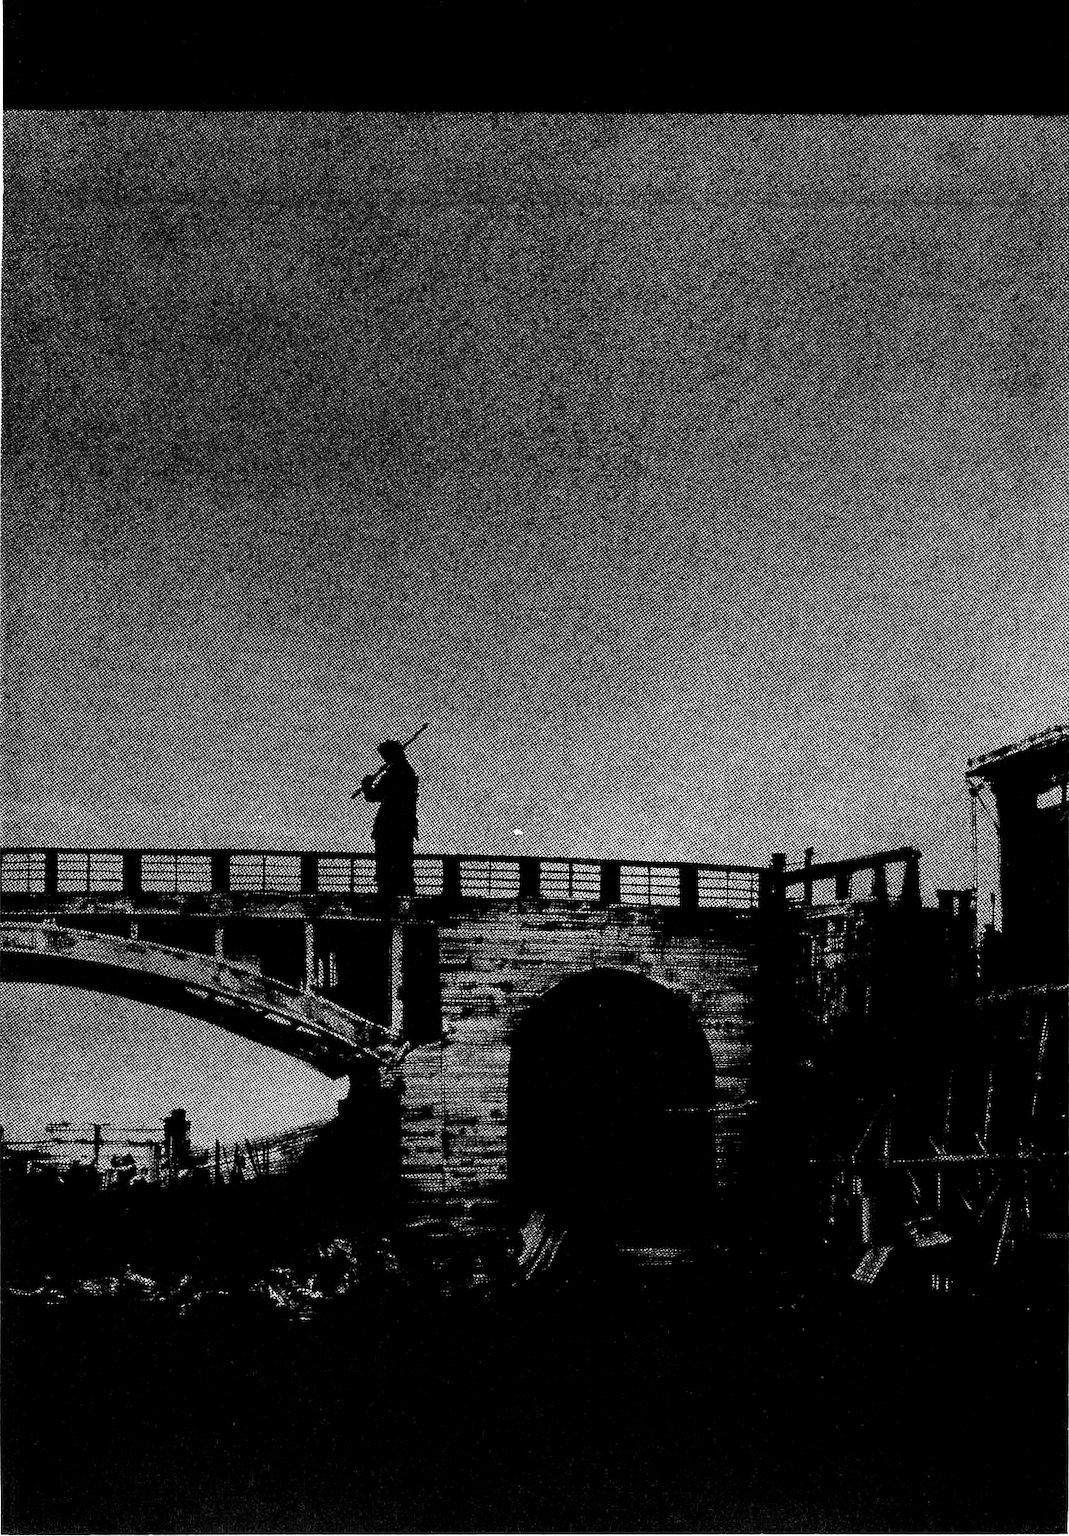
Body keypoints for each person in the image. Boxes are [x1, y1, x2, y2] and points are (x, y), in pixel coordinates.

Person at [360, 740, 419, 902]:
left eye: (385, 756)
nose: (384, 759)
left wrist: (366, 786)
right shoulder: (407, 772)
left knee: (386, 863)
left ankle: (388, 899)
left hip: (389, 825)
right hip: (405, 825)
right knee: (403, 863)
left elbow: (375, 795)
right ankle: (404, 898)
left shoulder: (394, 773)